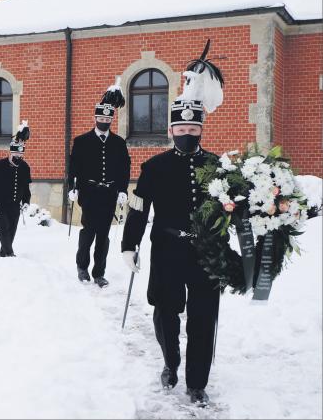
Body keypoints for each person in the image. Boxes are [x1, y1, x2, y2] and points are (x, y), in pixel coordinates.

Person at [121, 40, 224, 406]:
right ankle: (171, 362)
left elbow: (229, 209)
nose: (186, 136)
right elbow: (138, 208)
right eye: (180, 130)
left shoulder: (218, 166)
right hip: (166, 248)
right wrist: (129, 245)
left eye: (192, 131)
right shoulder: (154, 167)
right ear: (171, 131)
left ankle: (197, 381)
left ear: (201, 130)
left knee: (203, 316)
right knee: (166, 312)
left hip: (206, 252)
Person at [67, 79, 130, 288]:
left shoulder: (119, 143)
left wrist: (122, 190)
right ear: (95, 118)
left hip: (109, 194)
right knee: (89, 231)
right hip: (89, 192)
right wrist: (72, 188)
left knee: (104, 235)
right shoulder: (81, 141)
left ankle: (99, 272)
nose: (104, 121)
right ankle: (82, 266)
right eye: (100, 117)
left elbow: (124, 168)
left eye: (107, 118)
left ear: (111, 120)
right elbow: (73, 167)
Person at [0, 121, 32, 257]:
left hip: (15, 206)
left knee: (11, 231)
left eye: (21, 156)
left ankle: (4, 254)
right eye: (16, 156)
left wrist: (26, 201)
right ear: (11, 153)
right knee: (3, 229)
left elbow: (26, 187)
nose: (19, 158)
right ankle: (10, 254)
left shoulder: (25, 167)